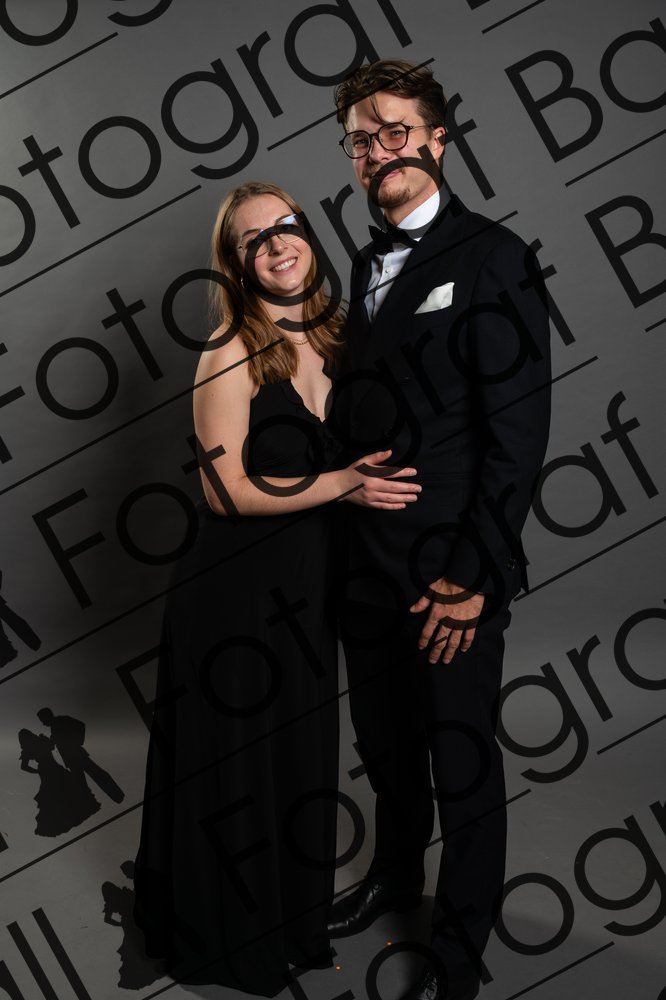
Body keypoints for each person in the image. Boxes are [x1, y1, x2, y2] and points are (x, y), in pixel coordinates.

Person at [132, 180, 417, 997]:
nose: (277, 245)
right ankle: (227, 938)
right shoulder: (230, 350)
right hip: (234, 591)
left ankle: (290, 923)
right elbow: (223, 493)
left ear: (308, 235)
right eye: (255, 240)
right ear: (236, 263)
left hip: (309, 590)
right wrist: (344, 484)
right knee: (238, 766)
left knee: (293, 758)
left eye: (286, 227)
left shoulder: (339, 335)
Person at [326, 61, 551, 1000]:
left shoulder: (495, 257)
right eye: (360, 140)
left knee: (460, 761)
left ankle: (457, 954)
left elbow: (518, 435)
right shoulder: (361, 259)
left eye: (395, 132)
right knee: (385, 746)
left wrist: (473, 576)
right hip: (365, 562)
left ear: (438, 139)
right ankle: (394, 876)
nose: (378, 152)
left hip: (447, 571)